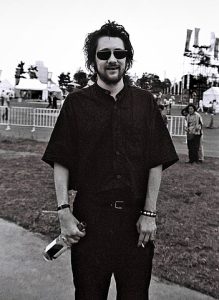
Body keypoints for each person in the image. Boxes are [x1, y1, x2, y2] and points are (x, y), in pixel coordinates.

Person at [42, 21, 178, 300]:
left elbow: (156, 160)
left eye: (119, 53)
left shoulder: (144, 103)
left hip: (136, 223)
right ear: (93, 60)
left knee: (135, 295)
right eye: (104, 54)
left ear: (128, 58)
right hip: (90, 221)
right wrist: (64, 213)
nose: (112, 59)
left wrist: (150, 214)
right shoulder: (76, 104)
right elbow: (61, 160)